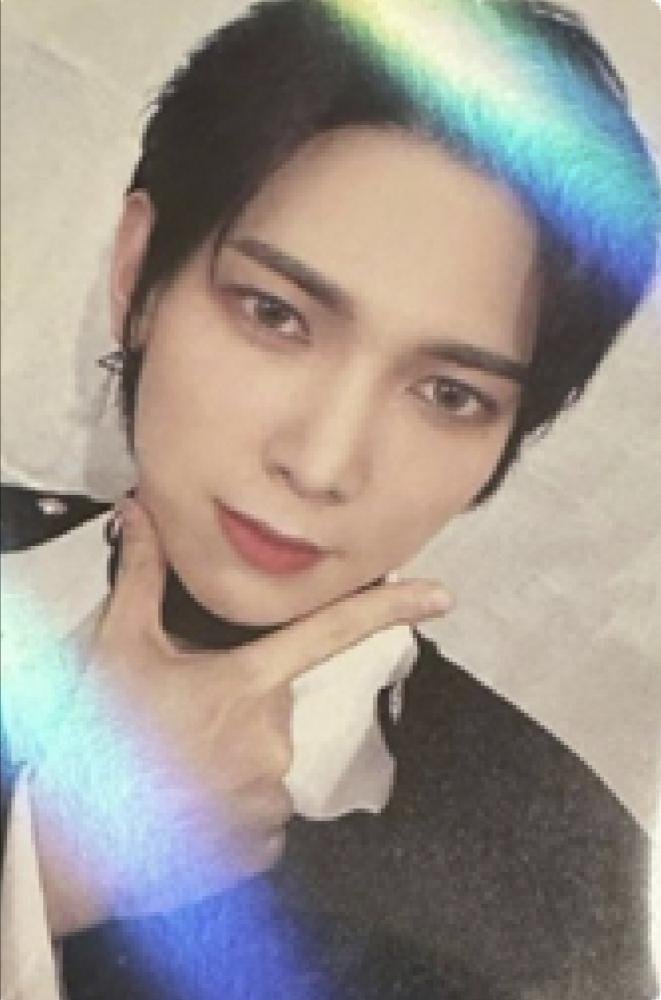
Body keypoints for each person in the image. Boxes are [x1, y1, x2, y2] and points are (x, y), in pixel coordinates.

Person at [1, 0, 659, 997]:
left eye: (449, 394)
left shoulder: (567, 884)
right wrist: (41, 871)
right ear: (139, 271)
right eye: (274, 314)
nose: (321, 463)